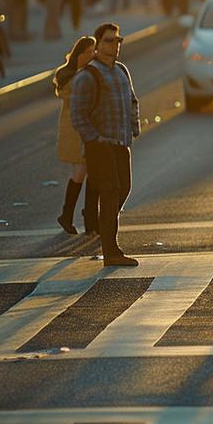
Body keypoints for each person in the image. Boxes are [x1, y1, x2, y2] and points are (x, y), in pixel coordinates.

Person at [69, 23, 140, 268]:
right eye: (109, 41)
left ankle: (105, 228)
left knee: (123, 189)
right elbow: (77, 114)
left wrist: (134, 127)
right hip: (100, 146)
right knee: (110, 192)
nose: (115, 45)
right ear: (97, 45)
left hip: (121, 143)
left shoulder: (121, 70)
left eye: (118, 41)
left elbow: (132, 100)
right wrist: (93, 139)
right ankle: (111, 251)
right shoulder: (88, 75)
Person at [52, 36, 99, 236]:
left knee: (92, 173)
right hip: (74, 131)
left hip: (85, 130)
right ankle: (68, 215)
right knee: (80, 174)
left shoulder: (86, 73)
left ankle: (89, 218)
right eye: (89, 52)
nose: (93, 55)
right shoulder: (72, 76)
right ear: (80, 54)